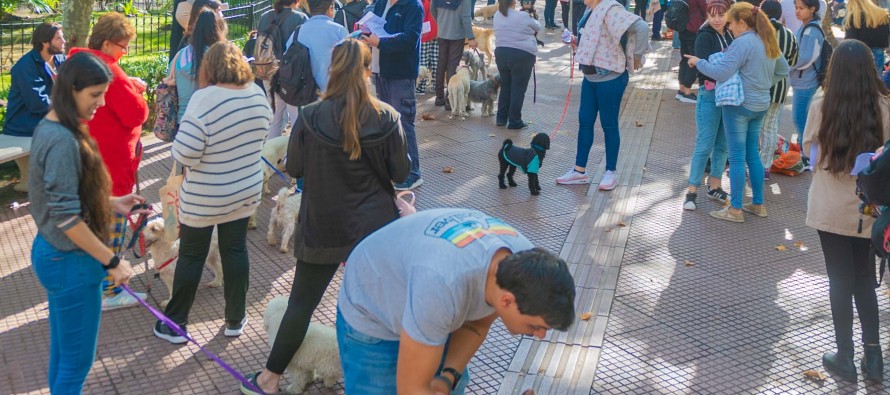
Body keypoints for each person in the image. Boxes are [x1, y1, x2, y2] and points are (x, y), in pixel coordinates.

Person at [240, 38, 410, 395]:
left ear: (331, 69)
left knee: (301, 304)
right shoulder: (386, 116)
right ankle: (390, 379)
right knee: (381, 308)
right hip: (374, 229)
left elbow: (296, 167)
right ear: (366, 71)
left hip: (322, 223)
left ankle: (269, 379)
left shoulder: (309, 116)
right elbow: (399, 172)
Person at [336, 208, 576, 394]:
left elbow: (476, 324)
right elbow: (412, 390)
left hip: (426, 298)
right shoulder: (443, 286)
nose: (541, 336)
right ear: (507, 301)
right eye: (537, 326)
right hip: (373, 304)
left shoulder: (517, 265)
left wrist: (447, 377)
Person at [28, 51, 143, 394]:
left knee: (65, 357)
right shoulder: (63, 139)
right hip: (71, 260)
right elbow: (65, 217)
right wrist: (112, 260)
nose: (101, 103)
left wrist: (109, 202)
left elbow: (59, 198)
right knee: (76, 364)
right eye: (95, 95)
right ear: (71, 89)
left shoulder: (51, 126)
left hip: (54, 253)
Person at [153, 42, 272, 344]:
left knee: (191, 255)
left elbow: (186, 152)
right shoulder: (257, 94)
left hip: (205, 196)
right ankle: (236, 318)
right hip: (245, 190)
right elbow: (264, 130)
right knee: (236, 251)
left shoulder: (204, 99)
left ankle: (176, 323)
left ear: (210, 68)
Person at [803, 40, 889, 382]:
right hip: (870, 207)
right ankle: (875, 356)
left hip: (829, 205)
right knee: (865, 279)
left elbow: (810, 149)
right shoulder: (884, 104)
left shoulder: (823, 102)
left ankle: (845, 356)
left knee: (840, 280)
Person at [69, 13, 151, 310]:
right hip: (110, 165)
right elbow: (136, 113)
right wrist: (138, 92)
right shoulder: (110, 71)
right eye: (122, 45)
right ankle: (109, 292)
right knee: (109, 231)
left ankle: (92, 285)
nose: (125, 52)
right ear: (106, 43)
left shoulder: (75, 62)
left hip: (85, 158)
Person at [686, 2, 790, 222]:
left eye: (731, 22)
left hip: (740, 106)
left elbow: (721, 72)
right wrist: (763, 84)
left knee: (736, 158)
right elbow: (783, 69)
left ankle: (735, 209)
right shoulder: (767, 38)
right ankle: (758, 204)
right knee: (753, 154)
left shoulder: (742, 42)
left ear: (742, 22)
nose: (729, 27)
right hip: (761, 103)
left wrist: (699, 62)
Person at [555, 0, 648, 189]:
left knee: (609, 125)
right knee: (585, 121)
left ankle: (610, 172)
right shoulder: (591, 10)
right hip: (591, 78)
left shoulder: (611, 9)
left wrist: (637, 56)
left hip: (610, 79)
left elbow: (642, 27)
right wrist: (576, 41)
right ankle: (579, 171)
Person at [362, 0, 424, 191]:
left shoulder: (413, 6)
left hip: (401, 73)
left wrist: (379, 42)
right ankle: (392, 168)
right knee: (387, 123)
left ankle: (413, 174)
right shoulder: (381, 3)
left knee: (404, 123)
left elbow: (409, 39)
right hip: (381, 71)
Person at [2, 22, 65, 193]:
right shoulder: (25, 67)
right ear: (45, 42)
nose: (64, 41)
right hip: (24, 124)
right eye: (59, 38)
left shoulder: (59, 60)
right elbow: (38, 104)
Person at [682, 0, 733, 211]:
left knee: (722, 145)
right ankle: (692, 191)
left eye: (721, 15)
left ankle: (715, 186)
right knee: (704, 144)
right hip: (710, 95)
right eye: (712, 15)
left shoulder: (731, 34)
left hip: (729, 96)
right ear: (707, 16)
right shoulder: (704, 36)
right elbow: (704, 71)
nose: (717, 19)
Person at [257, 0, 308, 138]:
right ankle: (294, 154)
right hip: (291, 74)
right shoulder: (300, 18)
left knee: (275, 118)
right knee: (296, 117)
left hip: (267, 70)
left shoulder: (264, 17)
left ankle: (271, 155)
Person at [168, 9, 228, 126]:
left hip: (183, 120)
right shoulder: (216, 55)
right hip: (211, 121)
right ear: (217, 30)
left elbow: (169, 76)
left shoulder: (180, 55)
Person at [759, 0, 798, 180]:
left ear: (761, 12)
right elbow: (792, 62)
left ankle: (747, 166)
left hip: (757, 88)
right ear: (780, 14)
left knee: (751, 129)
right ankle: (765, 167)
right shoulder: (789, 35)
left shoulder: (757, 33)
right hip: (780, 89)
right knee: (770, 128)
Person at [493, 0, 542, 130]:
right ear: (514, 2)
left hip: (501, 53)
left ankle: (501, 118)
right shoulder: (523, 16)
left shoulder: (497, 14)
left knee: (506, 86)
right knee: (518, 89)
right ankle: (515, 121)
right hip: (522, 55)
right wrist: (530, 12)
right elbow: (538, 27)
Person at [789, 0, 823, 166]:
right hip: (803, 80)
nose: (797, 11)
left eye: (801, 8)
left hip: (805, 81)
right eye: (796, 8)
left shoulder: (811, 30)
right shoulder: (807, 26)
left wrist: (788, 66)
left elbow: (805, 57)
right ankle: (808, 153)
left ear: (812, 9)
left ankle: (807, 154)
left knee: (800, 118)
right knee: (803, 118)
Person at [287, 0, 348, 92]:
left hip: (306, 93)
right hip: (335, 91)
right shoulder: (339, 31)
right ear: (330, 8)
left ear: (309, 9)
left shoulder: (298, 32)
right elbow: (350, 61)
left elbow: (288, 56)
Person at [432, 0, 476, 111]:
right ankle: (449, 99)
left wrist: (441, 22)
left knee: (441, 63)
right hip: (457, 34)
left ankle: (439, 97)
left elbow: (432, 10)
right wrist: (471, 37)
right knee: (453, 65)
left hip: (442, 32)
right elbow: (466, 17)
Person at [843, 0, 890, 73]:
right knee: (877, 79)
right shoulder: (882, 14)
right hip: (879, 51)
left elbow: (850, 40)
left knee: (860, 80)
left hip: (860, 52)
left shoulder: (854, 16)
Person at [677, 0, 708, 103]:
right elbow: (705, 9)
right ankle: (687, 91)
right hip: (693, 28)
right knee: (693, 60)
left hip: (682, 27)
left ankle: (681, 89)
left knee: (684, 59)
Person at [417, 0, 439, 94]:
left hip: (425, 33)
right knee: (436, 61)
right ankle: (437, 86)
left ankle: (420, 87)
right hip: (437, 31)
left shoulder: (423, 2)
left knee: (423, 61)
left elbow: (420, 16)